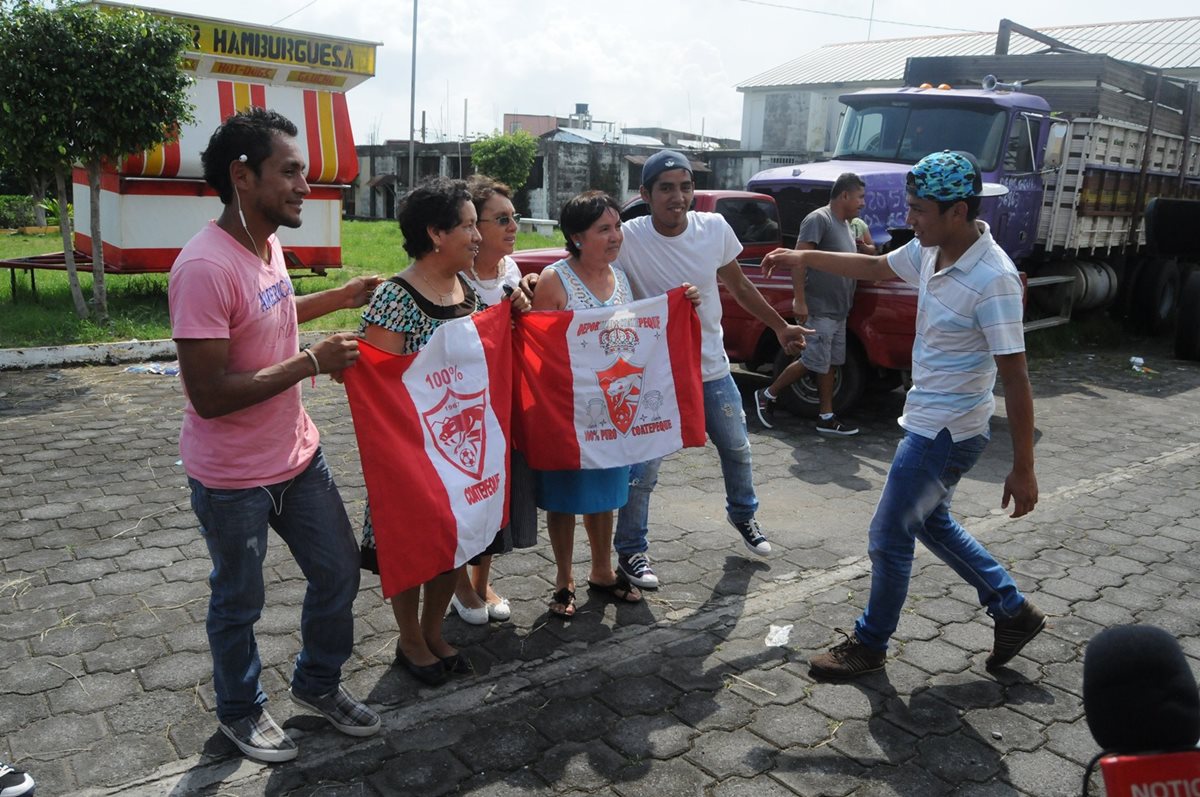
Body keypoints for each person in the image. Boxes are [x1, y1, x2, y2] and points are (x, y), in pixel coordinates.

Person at [762, 150, 1044, 679]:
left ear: (957, 211)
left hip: (946, 431)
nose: (908, 219)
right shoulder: (933, 251)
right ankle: (1011, 608)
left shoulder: (993, 279)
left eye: (918, 210)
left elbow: (1017, 377)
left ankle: (870, 644)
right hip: (929, 419)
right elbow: (872, 265)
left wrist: (1024, 465)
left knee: (889, 535)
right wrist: (804, 258)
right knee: (930, 523)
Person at [169, 108, 382, 763]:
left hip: (298, 456)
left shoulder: (267, 244)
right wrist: (312, 361)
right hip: (233, 478)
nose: (303, 186)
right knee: (239, 600)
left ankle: (317, 682)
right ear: (242, 176)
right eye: (289, 171)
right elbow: (208, 394)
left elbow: (272, 310)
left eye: (304, 172)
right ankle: (239, 709)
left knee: (339, 571)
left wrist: (343, 296)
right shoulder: (203, 267)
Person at [611, 150, 810, 590]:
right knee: (643, 471)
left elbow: (739, 285)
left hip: (711, 366)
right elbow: (586, 268)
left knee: (738, 448)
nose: (677, 197)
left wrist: (780, 327)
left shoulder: (714, 228)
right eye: (665, 188)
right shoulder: (628, 238)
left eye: (685, 187)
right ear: (645, 194)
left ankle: (744, 516)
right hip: (653, 374)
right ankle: (630, 551)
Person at [358, 177, 528, 683]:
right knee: (411, 547)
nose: (478, 237)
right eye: (469, 226)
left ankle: (433, 631)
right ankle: (410, 640)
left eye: (480, 226)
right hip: (409, 453)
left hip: (456, 454)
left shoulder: (465, 290)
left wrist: (515, 318)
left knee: (451, 543)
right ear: (435, 233)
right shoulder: (394, 297)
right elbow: (378, 386)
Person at [531, 191, 644, 617]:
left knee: (606, 495)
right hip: (565, 414)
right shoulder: (553, 281)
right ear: (577, 237)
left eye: (617, 227)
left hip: (612, 412)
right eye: (604, 229)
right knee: (563, 498)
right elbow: (540, 353)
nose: (616, 236)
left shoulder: (622, 279)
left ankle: (601, 572)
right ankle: (563, 578)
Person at [448, 174, 538, 625]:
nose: (513, 226)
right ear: (472, 227)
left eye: (514, 217)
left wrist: (526, 305)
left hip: (502, 406)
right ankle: (458, 586)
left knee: (494, 496)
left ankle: (481, 583)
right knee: (465, 493)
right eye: (501, 219)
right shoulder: (452, 278)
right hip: (462, 411)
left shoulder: (511, 271)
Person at [753, 173, 867, 435]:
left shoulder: (847, 226)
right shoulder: (819, 219)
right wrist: (799, 299)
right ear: (845, 195)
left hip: (839, 310)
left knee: (829, 362)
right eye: (860, 197)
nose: (863, 203)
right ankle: (768, 394)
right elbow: (798, 259)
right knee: (814, 360)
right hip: (819, 306)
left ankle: (826, 417)